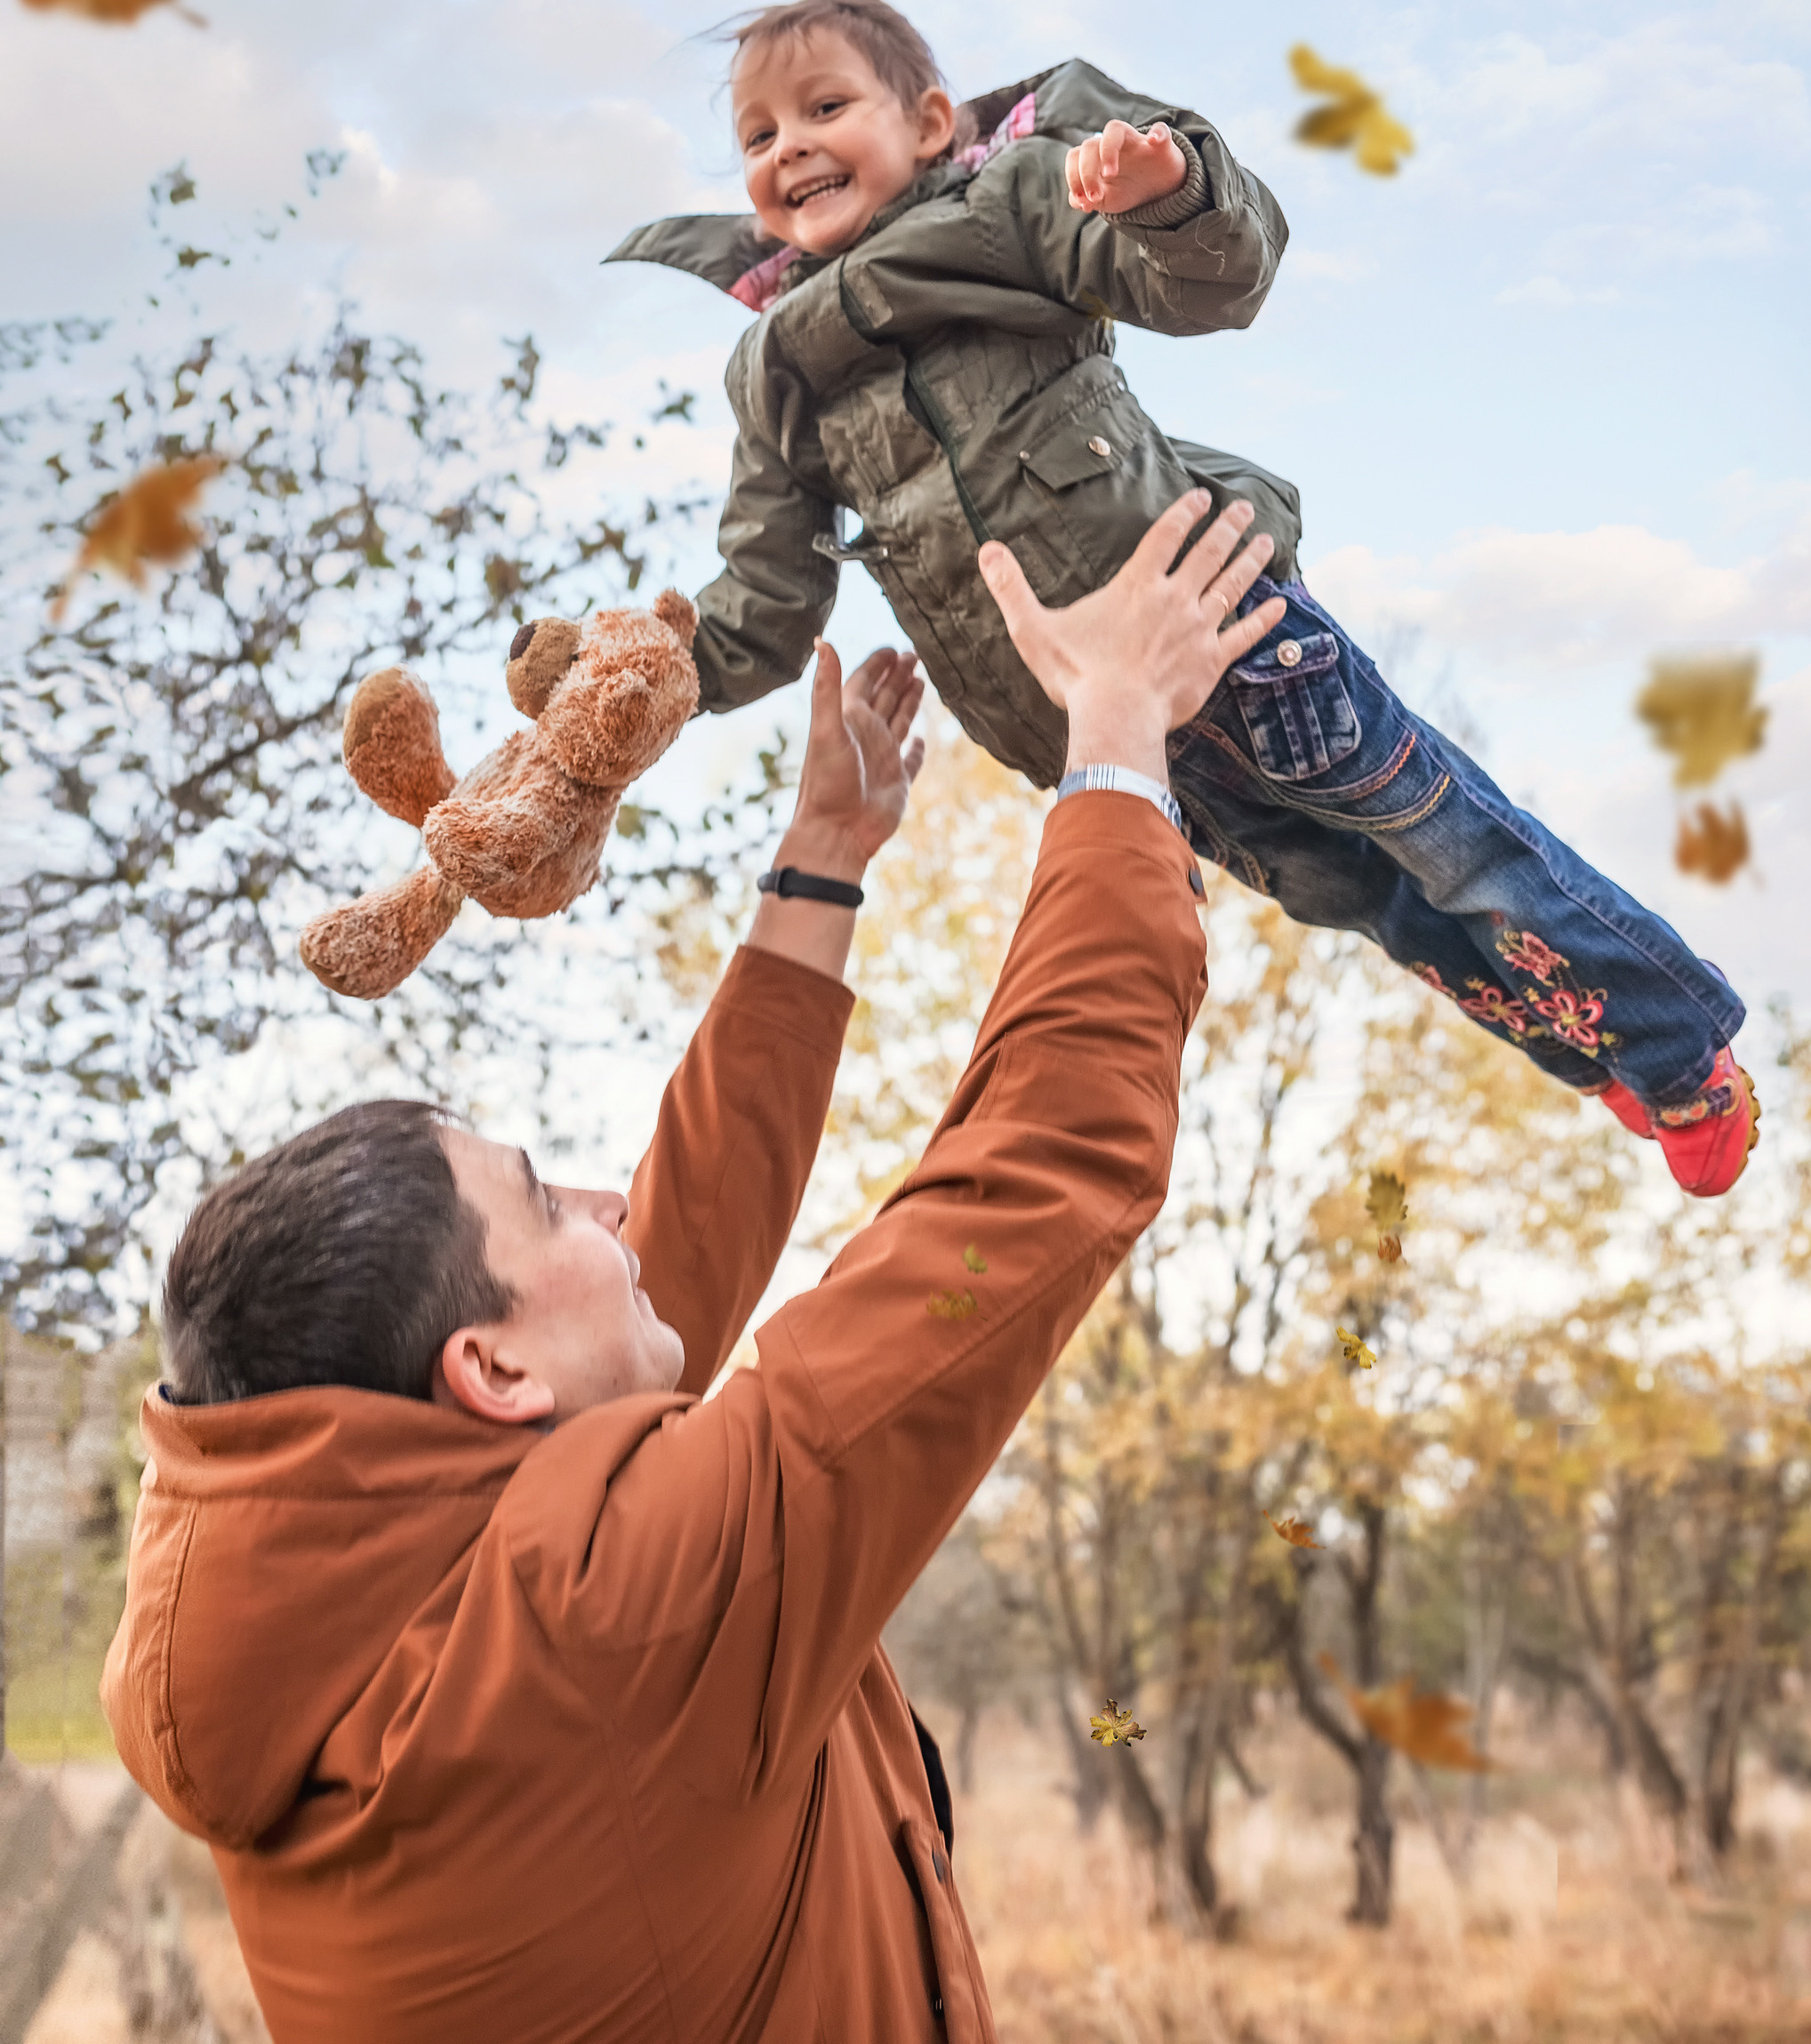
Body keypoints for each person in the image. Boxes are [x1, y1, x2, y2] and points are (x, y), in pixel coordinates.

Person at [101, 496, 1284, 2043]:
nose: (607, 1206)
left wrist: (819, 872)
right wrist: (1120, 743)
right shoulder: (603, 1641)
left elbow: (658, 1278)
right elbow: (1032, 1187)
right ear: (490, 1371)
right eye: (545, 1202)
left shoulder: (330, 1637)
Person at [605, 0, 1759, 1198]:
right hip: (1127, 749)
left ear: (932, 123)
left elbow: (1207, 282)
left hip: (1231, 637)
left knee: (1449, 844)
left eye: (823, 108)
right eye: (755, 136)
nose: (786, 146)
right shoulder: (779, 373)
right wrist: (650, 680)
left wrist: (1166, 196)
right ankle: (1606, 1050)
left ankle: (1681, 1045)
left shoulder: (1007, 210)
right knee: (1387, 911)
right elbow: (766, 597)